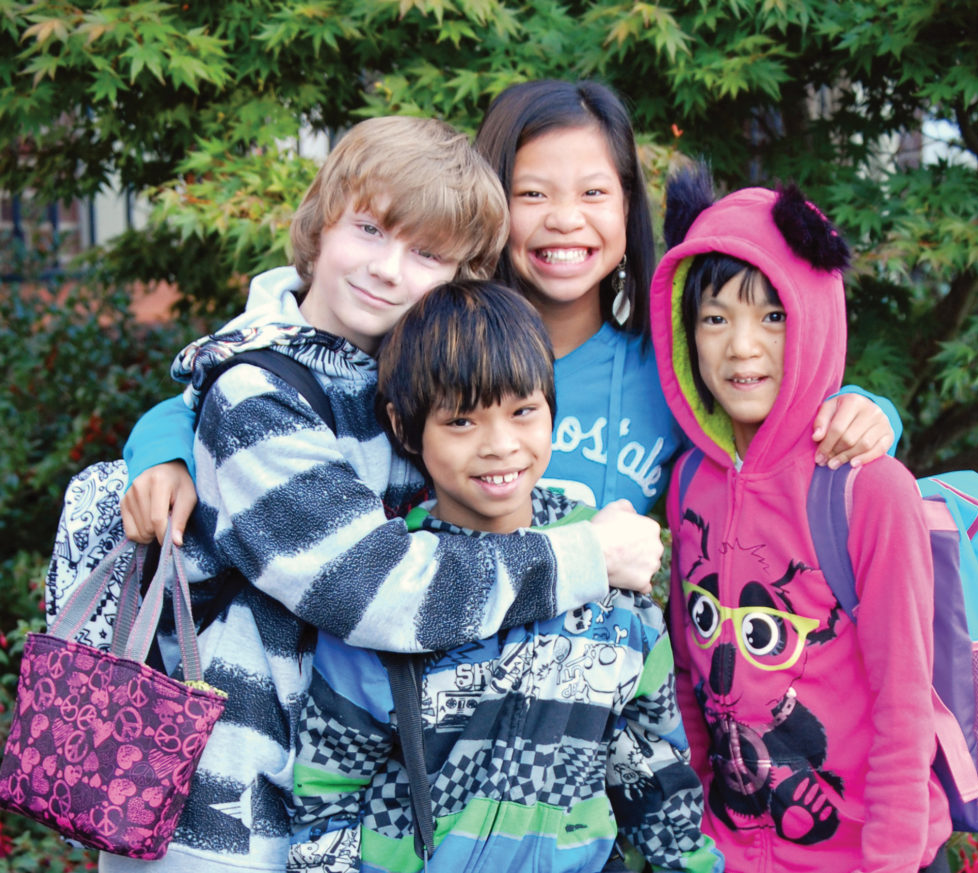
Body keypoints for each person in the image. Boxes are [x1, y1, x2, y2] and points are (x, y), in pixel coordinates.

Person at [98, 116, 663, 873]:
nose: (389, 270)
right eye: (368, 230)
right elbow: (376, 588)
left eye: (426, 253)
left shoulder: (394, 384)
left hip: (350, 808)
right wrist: (589, 553)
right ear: (321, 226)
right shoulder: (260, 395)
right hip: (228, 813)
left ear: (462, 275)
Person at [119, 81, 900, 542]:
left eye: (595, 193)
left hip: (598, 722)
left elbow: (774, 418)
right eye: (533, 194)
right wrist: (164, 454)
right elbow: (229, 390)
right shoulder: (420, 346)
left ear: (627, 208)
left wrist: (867, 412)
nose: (566, 220)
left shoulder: (665, 373)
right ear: (492, 212)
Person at [287, 278, 725, 873]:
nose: (500, 445)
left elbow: (648, 758)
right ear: (405, 425)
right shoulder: (395, 584)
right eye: (461, 422)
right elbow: (327, 787)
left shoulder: (609, 572)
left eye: (523, 412)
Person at [649, 165, 951, 872]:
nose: (742, 346)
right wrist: (696, 836)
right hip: (729, 851)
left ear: (813, 315)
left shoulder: (866, 489)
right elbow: (693, 679)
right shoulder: (691, 478)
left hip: (865, 855)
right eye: (715, 317)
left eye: (773, 315)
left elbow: (905, 708)